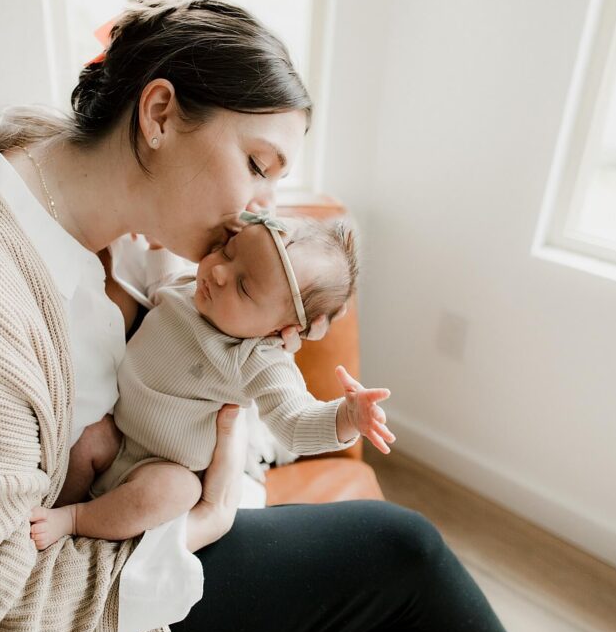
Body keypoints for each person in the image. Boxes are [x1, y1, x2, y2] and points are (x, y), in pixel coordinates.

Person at [0, 0, 509, 632]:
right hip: (82, 588)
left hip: (146, 513)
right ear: (160, 113)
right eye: (259, 166)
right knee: (400, 551)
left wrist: (280, 326)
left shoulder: (118, 222)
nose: (260, 210)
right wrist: (198, 523)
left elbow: (232, 359)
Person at [28, 215, 397, 548]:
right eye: (228, 250)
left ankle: (75, 520)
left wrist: (347, 419)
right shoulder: (194, 288)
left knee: (176, 491)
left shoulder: (257, 357)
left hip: (162, 465)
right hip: (118, 433)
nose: (219, 272)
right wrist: (159, 244)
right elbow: (162, 283)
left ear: (280, 329)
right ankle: (49, 509)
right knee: (87, 436)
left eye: (245, 287)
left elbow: (294, 420)